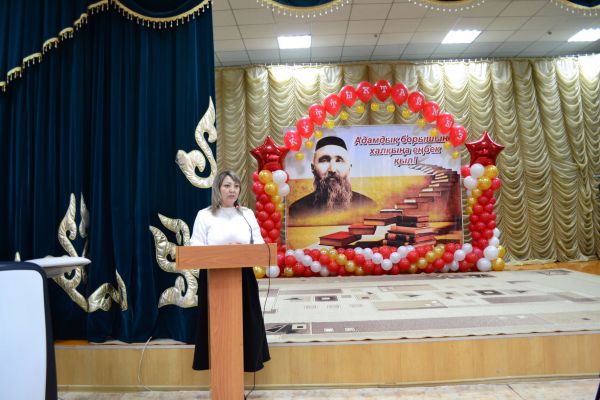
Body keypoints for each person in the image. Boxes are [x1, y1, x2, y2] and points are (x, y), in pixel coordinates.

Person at [190, 170, 270, 372]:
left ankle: (243, 368)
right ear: (217, 188)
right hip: (212, 278)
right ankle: (220, 375)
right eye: (227, 185)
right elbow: (195, 246)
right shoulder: (204, 215)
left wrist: (241, 250)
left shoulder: (246, 214)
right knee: (216, 327)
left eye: (236, 186)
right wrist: (222, 252)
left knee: (245, 324)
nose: (232, 190)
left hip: (243, 277)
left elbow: (259, 244)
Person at [288, 136, 375, 217]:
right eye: (324, 160)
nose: (332, 169)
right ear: (313, 168)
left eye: (339, 160)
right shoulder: (298, 209)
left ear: (349, 167)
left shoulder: (368, 205)